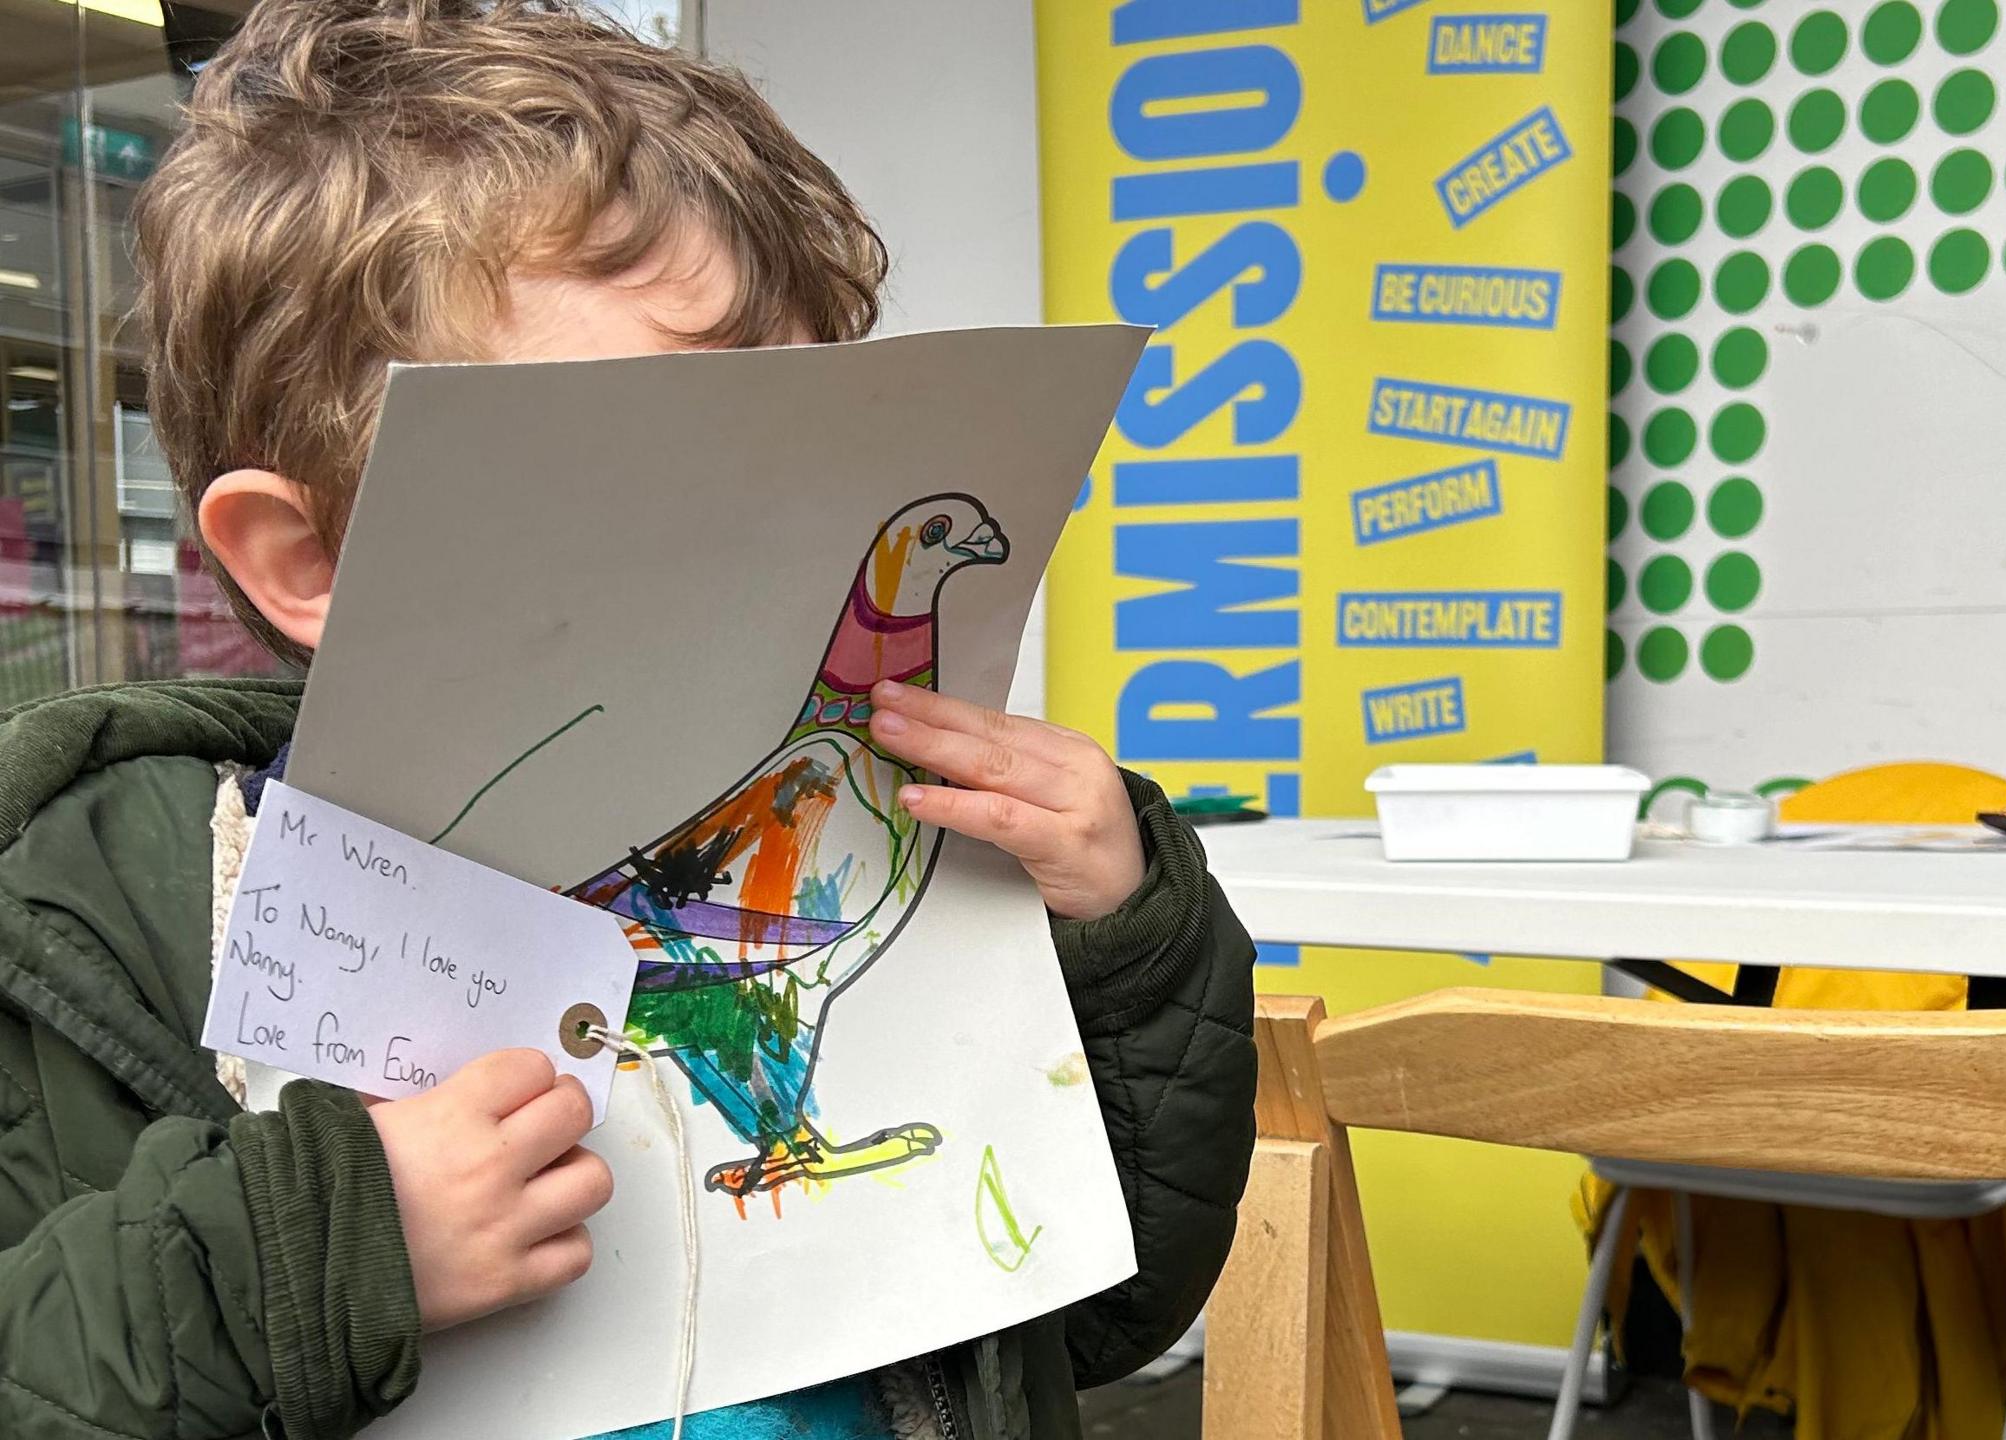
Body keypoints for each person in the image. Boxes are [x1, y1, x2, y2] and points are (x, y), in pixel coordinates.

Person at [0, 3, 1256, 1437]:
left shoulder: (899, 817)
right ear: (312, 561)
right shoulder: (101, 916)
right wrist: (311, 1254)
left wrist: (1126, 942)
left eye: (803, 464)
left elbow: (1108, 1312)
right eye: (644, 480)